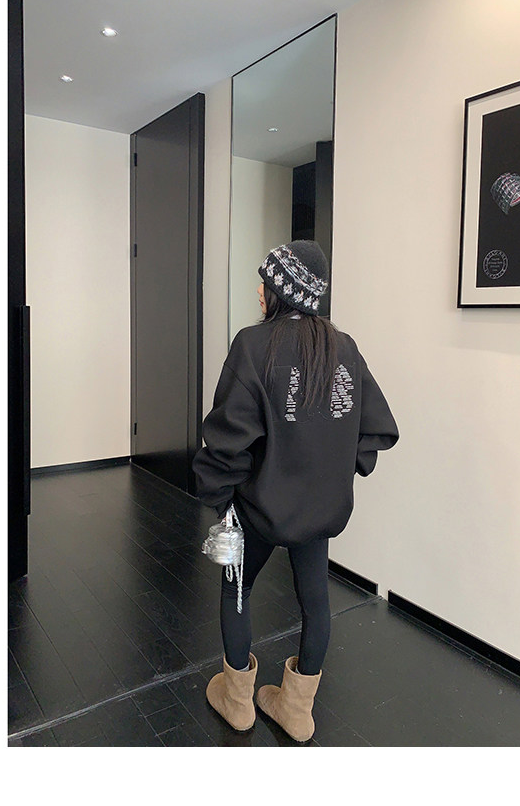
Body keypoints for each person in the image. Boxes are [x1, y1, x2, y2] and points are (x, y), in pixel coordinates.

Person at [192, 240, 398, 742]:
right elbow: (376, 427)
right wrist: (335, 471)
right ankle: (296, 711)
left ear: (280, 290)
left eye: (264, 282)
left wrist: (220, 497)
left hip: (260, 508)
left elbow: (229, 437)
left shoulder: (252, 345)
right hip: (319, 509)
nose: (258, 291)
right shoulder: (344, 348)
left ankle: (238, 703)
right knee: (315, 601)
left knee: (236, 591)